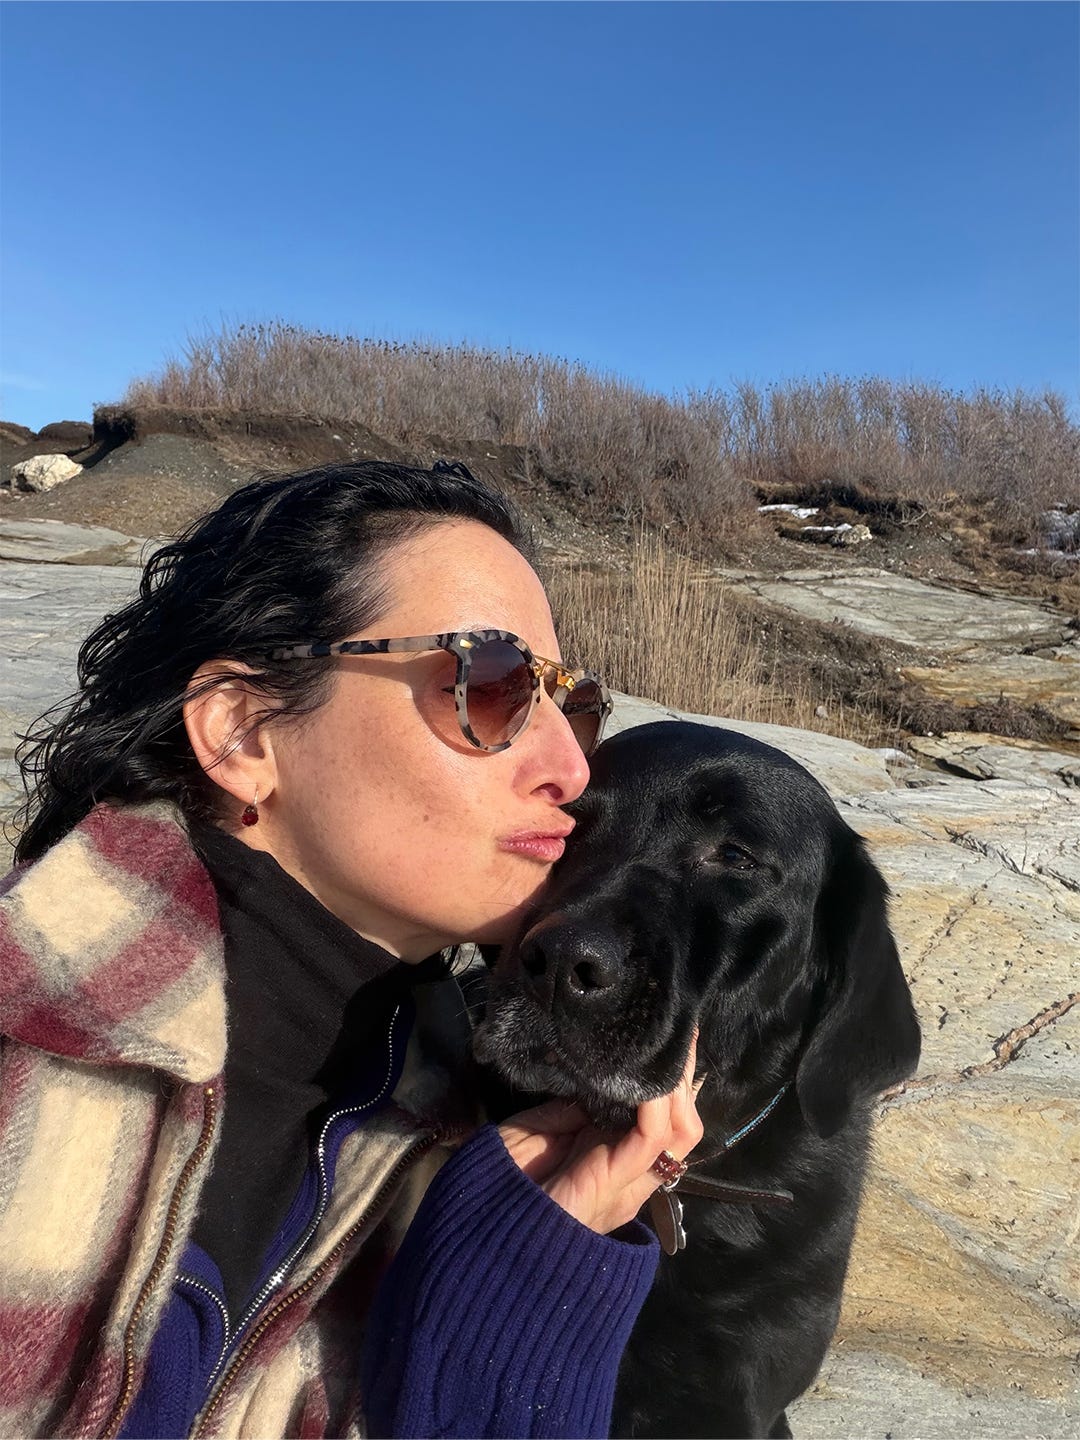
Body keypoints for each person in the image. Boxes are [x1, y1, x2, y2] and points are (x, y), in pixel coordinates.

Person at [0, 460, 702, 1440]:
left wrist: (526, 1272)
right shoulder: (20, 1044)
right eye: (495, 685)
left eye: (571, 706)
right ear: (246, 733)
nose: (573, 770)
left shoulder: (456, 1141)